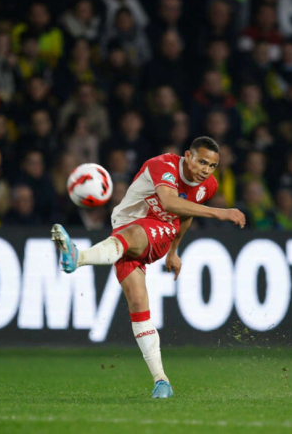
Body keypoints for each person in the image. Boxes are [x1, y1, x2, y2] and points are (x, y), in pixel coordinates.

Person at [51, 137, 245, 398]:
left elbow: (184, 214)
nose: (206, 170)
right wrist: (219, 212)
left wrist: (173, 251)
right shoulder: (162, 165)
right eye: (202, 162)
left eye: (212, 166)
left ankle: (78, 257)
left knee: (133, 235)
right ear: (187, 156)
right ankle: (161, 381)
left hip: (159, 229)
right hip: (123, 229)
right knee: (138, 302)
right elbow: (170, 202)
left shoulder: (208, 186)